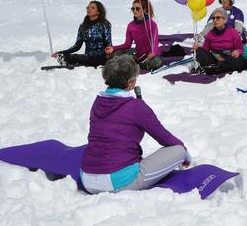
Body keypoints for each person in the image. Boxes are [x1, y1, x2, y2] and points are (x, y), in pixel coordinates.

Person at [79, 55, 191, 194]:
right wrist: (184, 153)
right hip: (117, 183)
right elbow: (165, 138)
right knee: (179, 150)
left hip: (87, 180)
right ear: (130, 83)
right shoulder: (136, 107)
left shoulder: (98, 102)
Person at [105, 0, 162, 71]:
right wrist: (113, 48)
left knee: (156, 62)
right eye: (133, 9)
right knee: (115, 53)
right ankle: (133, 64)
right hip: (138, 56)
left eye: (137, 9)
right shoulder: (131, 25)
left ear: (144, 10)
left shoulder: (152, 24)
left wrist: (153, 52)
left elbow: (155, 42)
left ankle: (133, 65)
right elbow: (127, 44)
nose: (135, 11)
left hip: (151, 56)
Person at [51, 1, 112, 68]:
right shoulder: (83, 26)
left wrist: (110, 59)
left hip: (100, 57)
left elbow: (109, 45)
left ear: (98, 12)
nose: (89, 9)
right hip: (87, 57)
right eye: (87, 7)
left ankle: (73, 62)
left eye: (92, 8)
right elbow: (77, 46)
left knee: (77, 57)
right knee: (67, 56)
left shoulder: (105, 25)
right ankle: (68, 62)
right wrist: (61, 52)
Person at [193, 8, 247, 74]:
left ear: (225, 20)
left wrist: (237, 51)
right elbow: (206, 50)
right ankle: (217, 68)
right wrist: (198, 48)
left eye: (218, 18)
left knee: (241, 62)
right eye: (213, 18)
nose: (215, 20)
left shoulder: (233, 32)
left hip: (230, 57)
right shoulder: (210, 34)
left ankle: (214, 68)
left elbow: (240, 49)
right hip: (216, 58)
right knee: (199, 51)